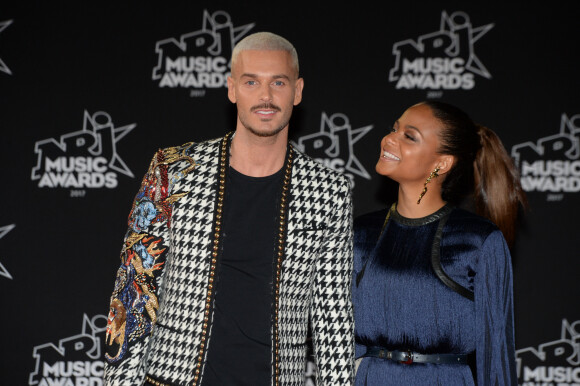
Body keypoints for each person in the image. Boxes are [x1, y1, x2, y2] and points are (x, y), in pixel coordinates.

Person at [102, 31, 354, 386]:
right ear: (232, 88)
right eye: (251, 82)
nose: (265, 96)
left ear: (297, 91)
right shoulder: (173, 169)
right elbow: (134, 288)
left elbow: (334, 317)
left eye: (278, 82)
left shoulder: (329, 191)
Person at [352, 101, 527, 385]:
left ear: (441, 163)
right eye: (394, 129)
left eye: (409, 136)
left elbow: (495, 356)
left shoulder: (478, 241)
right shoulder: (361, 232)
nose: (389, 139)